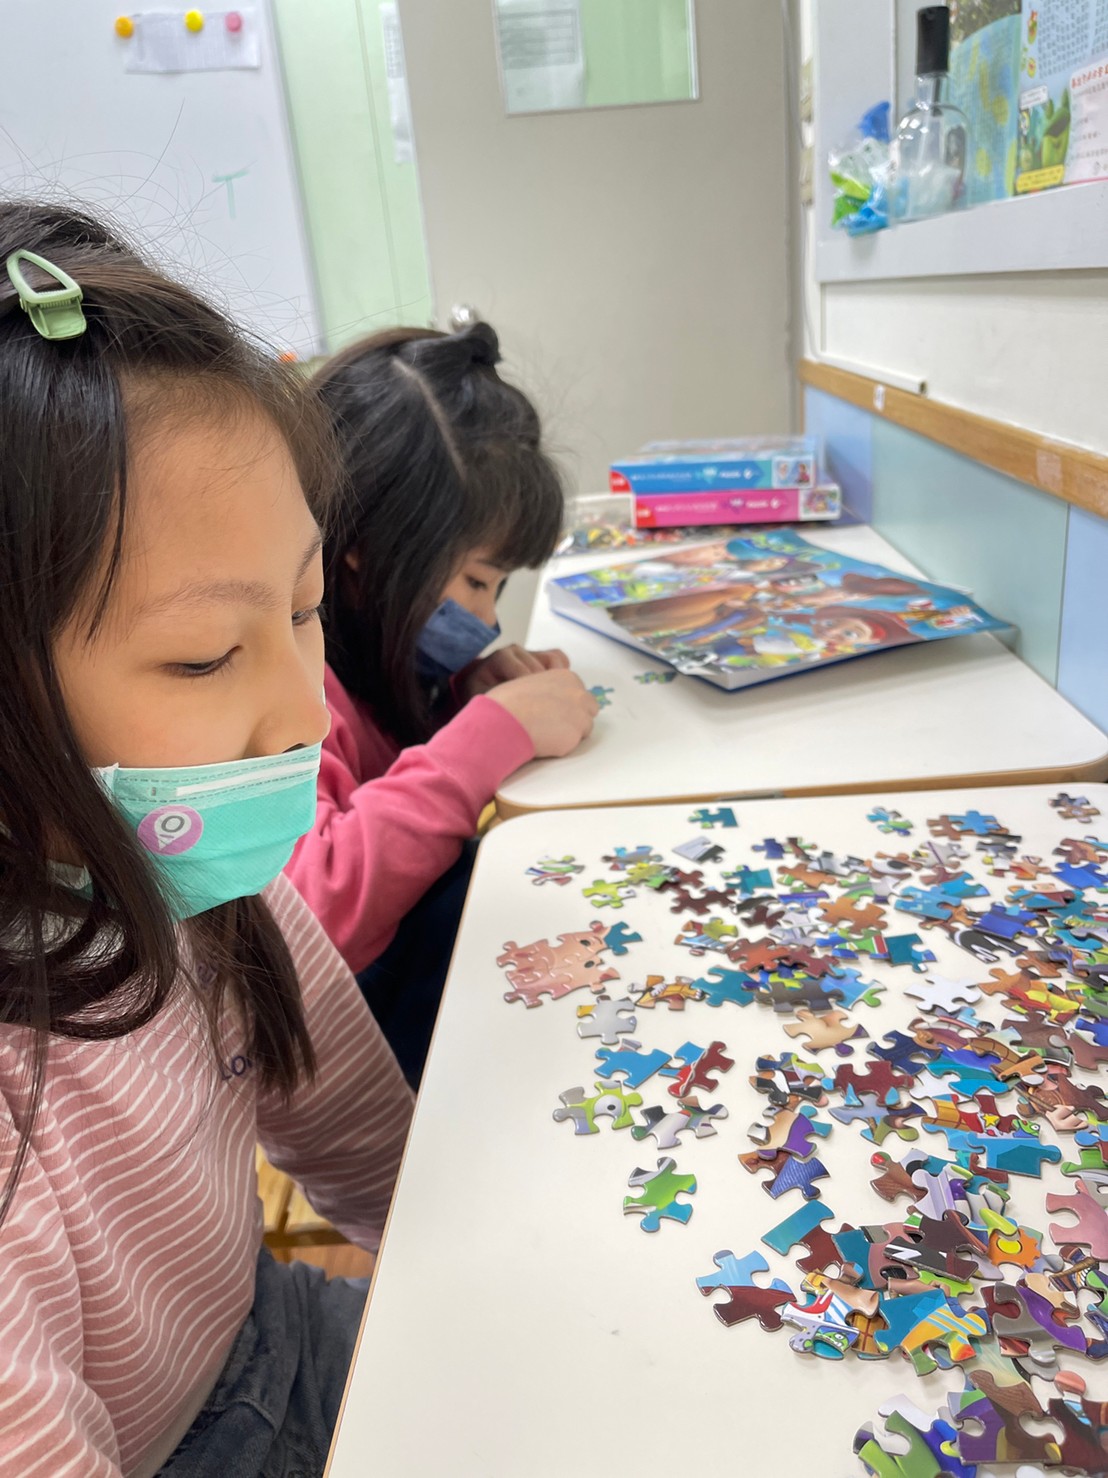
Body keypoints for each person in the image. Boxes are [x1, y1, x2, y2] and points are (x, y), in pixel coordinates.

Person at [0, 200, 412, 1477]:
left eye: (303, 606)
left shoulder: (206, 865)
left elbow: (367, 1140)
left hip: (260, 1330)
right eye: (201, 655)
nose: (305, 715)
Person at [286, 325, 597, 1084]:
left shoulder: (362, 643)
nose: (487, 618)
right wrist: (486, 736)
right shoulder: (286, 677)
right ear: (367, 546)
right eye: (477, 581)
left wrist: (464, 693)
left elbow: (383, 749)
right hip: (355, 1057)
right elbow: (315, 910)